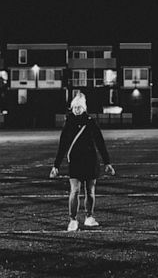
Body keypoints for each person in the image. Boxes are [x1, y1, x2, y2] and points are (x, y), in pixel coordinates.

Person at [50, 93, 115, 232]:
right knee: (74, 191)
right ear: (71, 108)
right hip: (75, 161)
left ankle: (89, 217)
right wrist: (56, 165)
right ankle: (73, 220)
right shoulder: (68, 123)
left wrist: (107, 162)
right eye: (74, 107)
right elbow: (62, 145)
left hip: (91, 161)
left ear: (84, 108)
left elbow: (100, 143)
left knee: (90, 191)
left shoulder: (91, 122)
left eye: (79, 107)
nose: (76, 109)